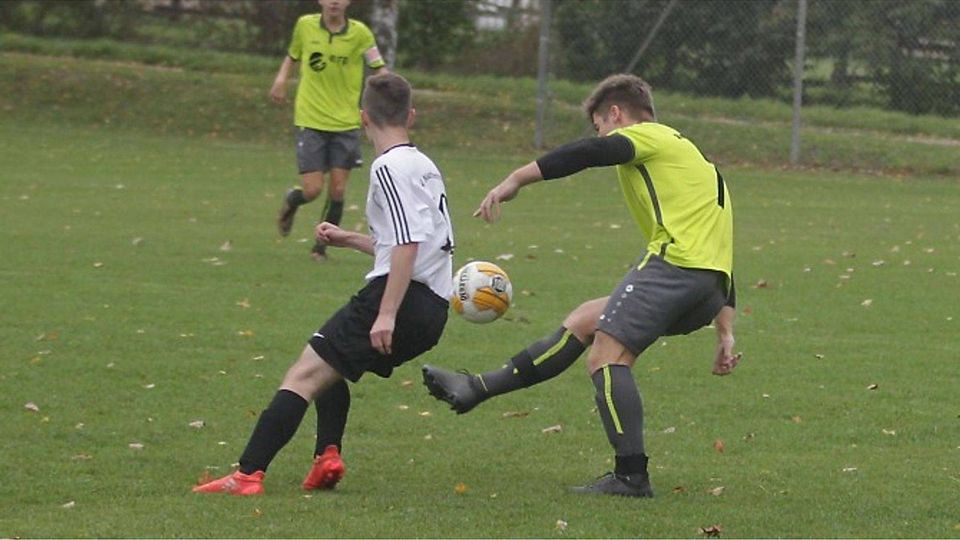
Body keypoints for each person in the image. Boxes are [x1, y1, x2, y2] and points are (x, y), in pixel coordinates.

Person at [423, 74, 737, 498]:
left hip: (673, 268)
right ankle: (476, 388)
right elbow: (722, 254)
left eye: (600, 124)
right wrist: (725, 332)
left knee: (606, 357)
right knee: (585, 320)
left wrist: (515, 179)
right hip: (708, 288)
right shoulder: (696, 160)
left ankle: (630, 476)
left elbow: (592, 152)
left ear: (615, 114)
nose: (601, 134)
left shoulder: (649, 137)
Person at [195, 72, 455, 495]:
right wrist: (350, 239)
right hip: (433, 307)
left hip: (400, 299)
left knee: (302, 375)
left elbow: (408, 243)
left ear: (362, 117)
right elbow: (423, 245)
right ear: (411, 115)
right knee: (328, 362)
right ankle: (326, 459)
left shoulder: (388, 166)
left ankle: (247, 475)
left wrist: (386, 312)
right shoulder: (425, 166)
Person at [272, 0, 387, 261]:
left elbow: (379, 67)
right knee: (312, 190)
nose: (334, 1)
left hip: (345, 122)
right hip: (311, 119)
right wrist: (281, 79)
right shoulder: (305, 26)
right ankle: (292, 200)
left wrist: (390, 96)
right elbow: (292, 55)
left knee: (337, 190)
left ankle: (320, 248)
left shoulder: (360, 33)